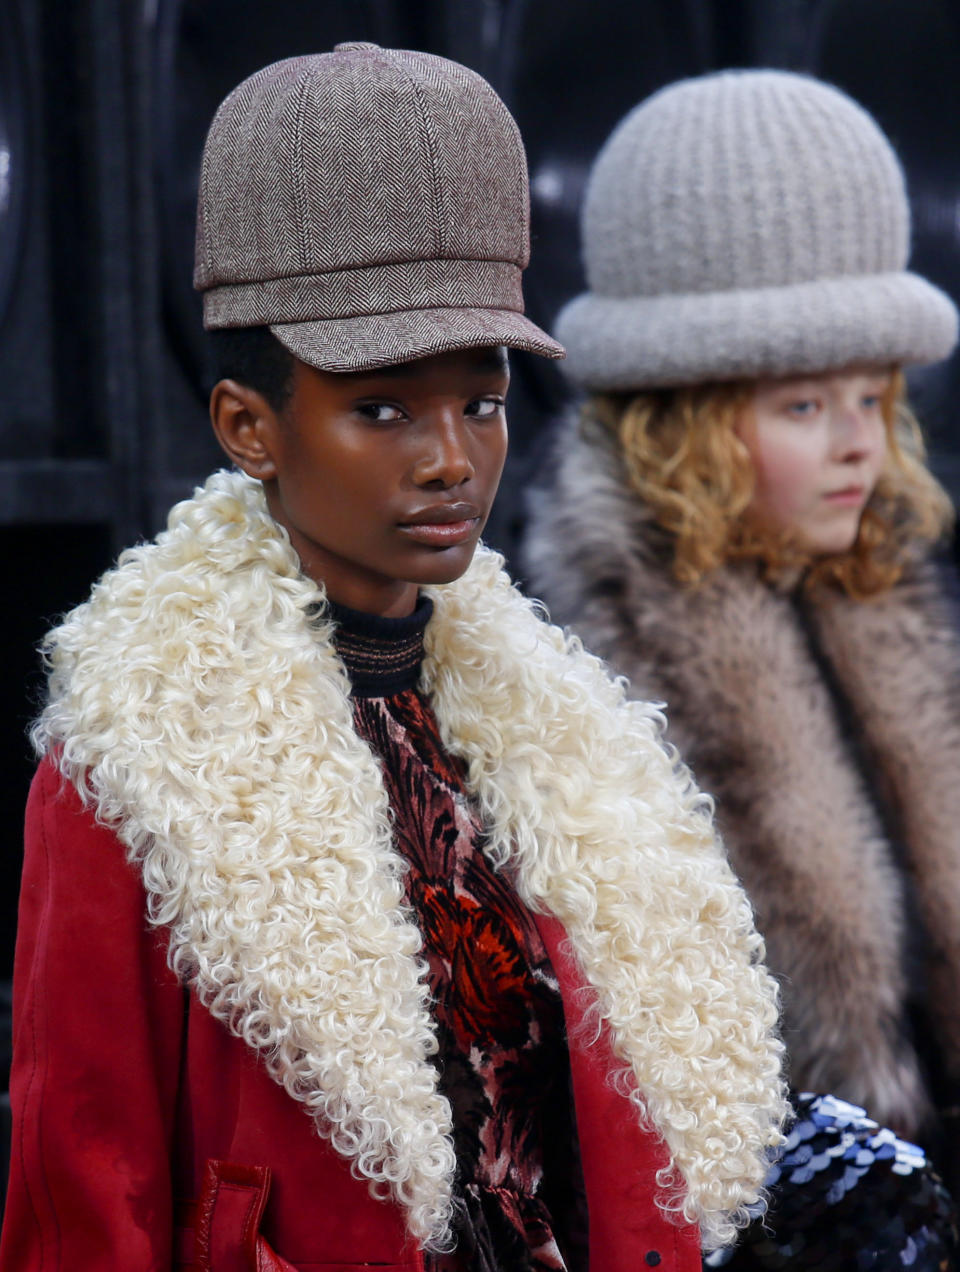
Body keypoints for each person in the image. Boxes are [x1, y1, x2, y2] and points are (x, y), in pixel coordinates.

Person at [0, 45, 787, 1271]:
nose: (451, 460)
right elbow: (82, 1193)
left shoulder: (561, 742)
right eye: (381, 407)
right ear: (247, 426)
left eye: (483, 400)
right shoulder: (135, 758)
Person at [523, 69, 960, 1204]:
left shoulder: (888, 600)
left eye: (874, 398)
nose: (860, 444)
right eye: (804, 407)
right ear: (686, 426)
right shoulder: (593, 680)